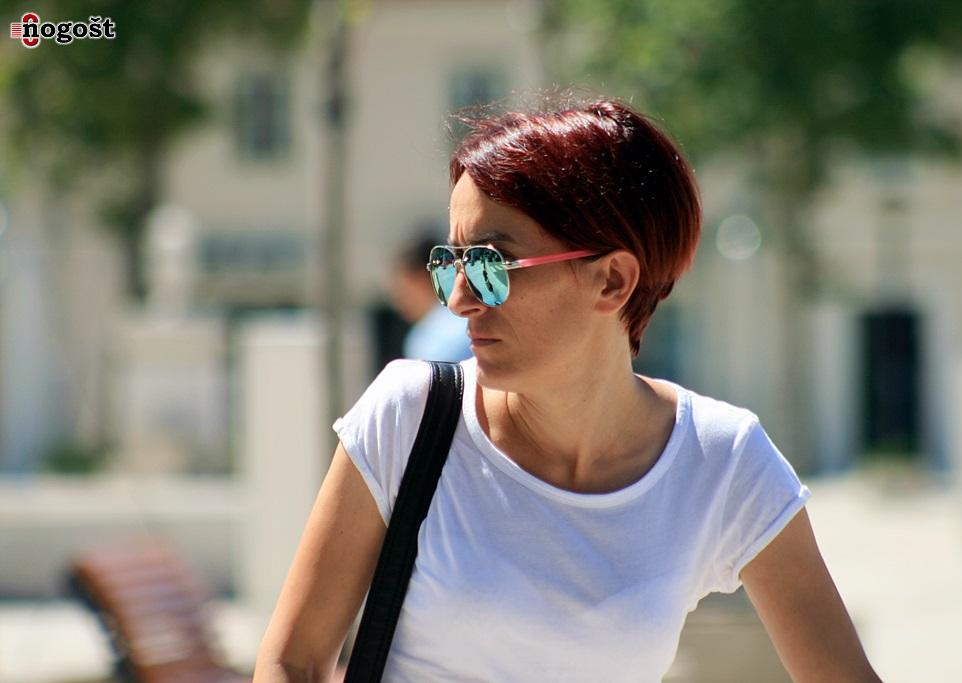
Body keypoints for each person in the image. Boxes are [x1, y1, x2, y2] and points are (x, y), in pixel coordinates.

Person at [254, 96, 882, 682]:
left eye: (491, 265)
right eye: (451, 263)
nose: (458, 299)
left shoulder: (722, 459)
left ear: (612, 281)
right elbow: (293, 662)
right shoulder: (409, 415)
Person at [389, 232, 472, 362]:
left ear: (419, 279)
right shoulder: (471, 317)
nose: (397, 300)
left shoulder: (427, 337)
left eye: (402, 287)